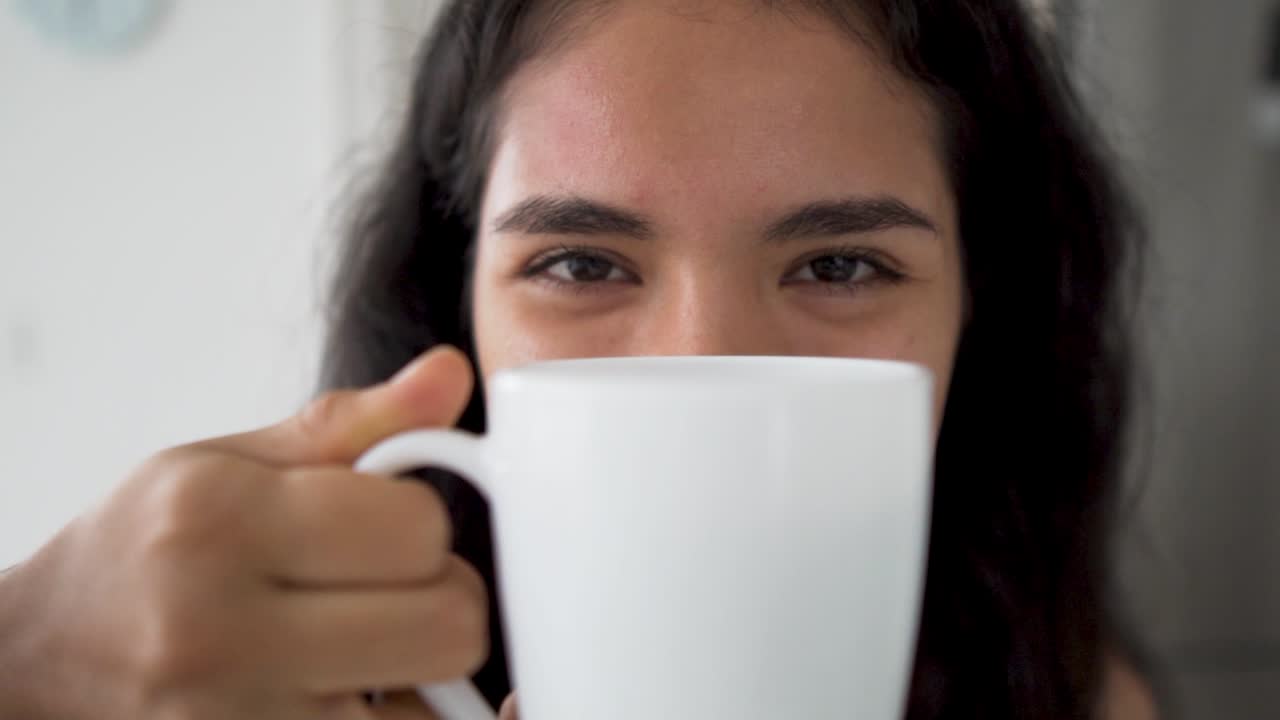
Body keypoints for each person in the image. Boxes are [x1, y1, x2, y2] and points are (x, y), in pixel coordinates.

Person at [0, 1, 1159, 718]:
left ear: (978, 313)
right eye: (581, 264)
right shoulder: (254, 692)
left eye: (842, 267)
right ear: (453, 310)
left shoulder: (1064, 689)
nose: (704, 365)